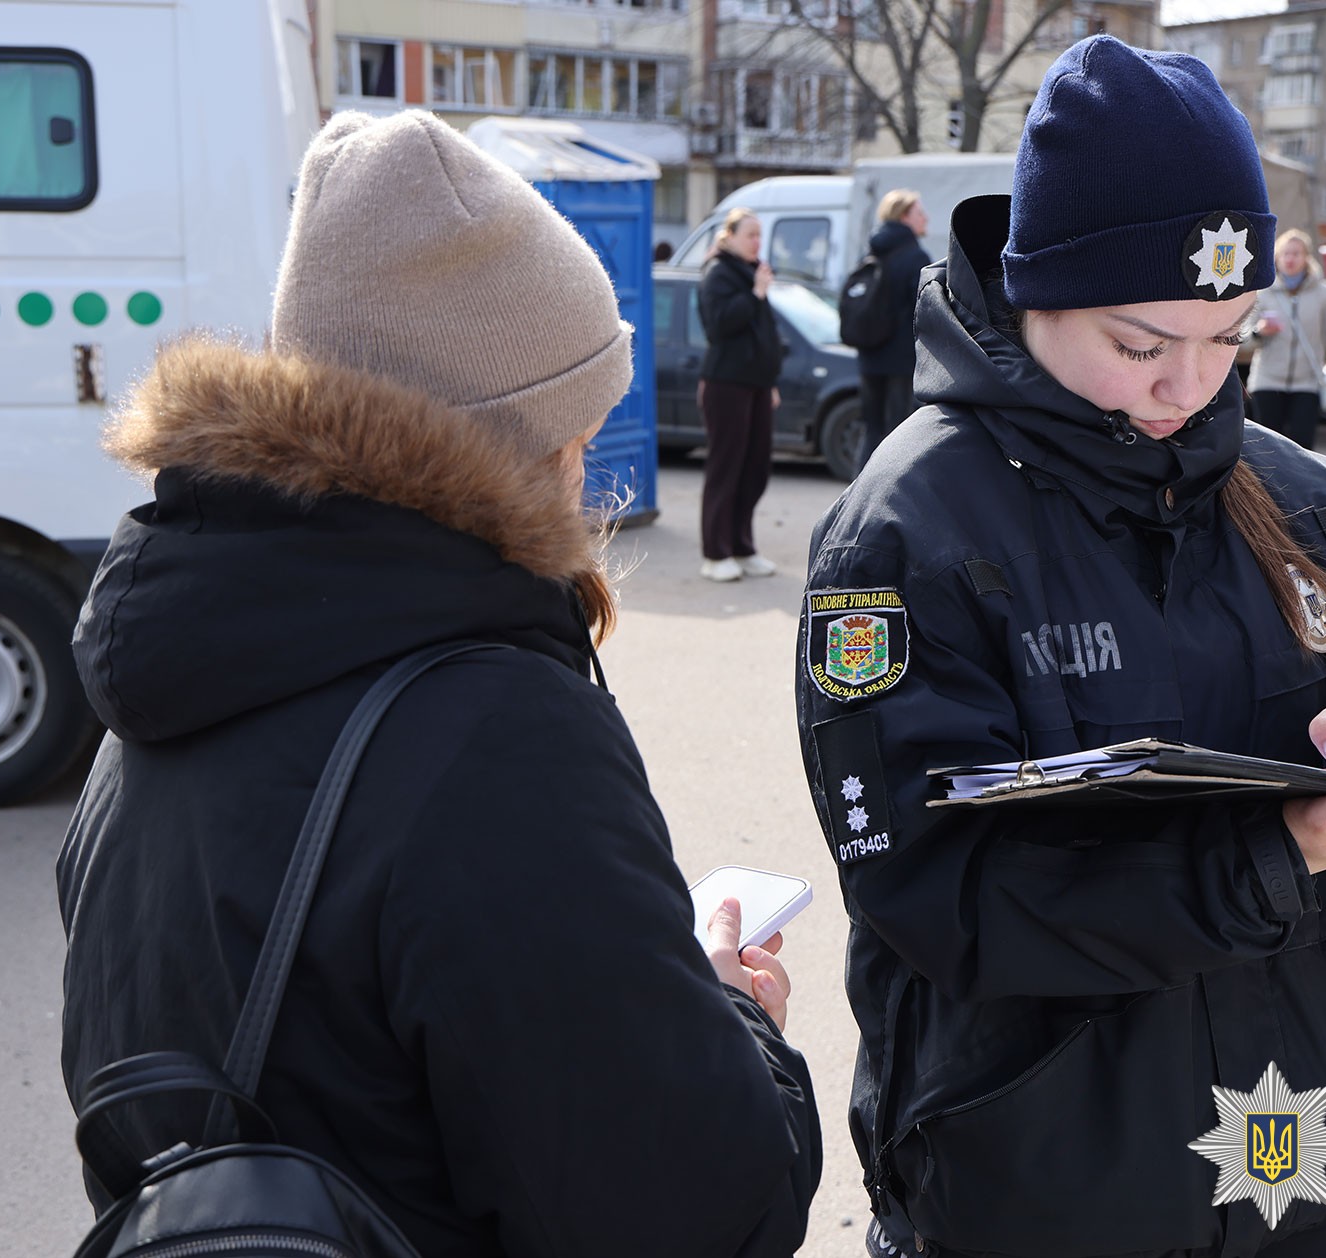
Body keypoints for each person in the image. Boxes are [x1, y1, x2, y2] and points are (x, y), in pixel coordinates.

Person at [56, 112, 820, 1257]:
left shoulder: (157, 682)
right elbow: (694, 1208)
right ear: (506, 449)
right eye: (575, 434)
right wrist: (733, 1024)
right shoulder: (492, 735)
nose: (588, 474)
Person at [792, 38, 1326, 1258]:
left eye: (1230, 337)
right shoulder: (908, 531)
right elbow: (929, 892)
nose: (1190, 383)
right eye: (1139, 345)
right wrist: (1270, 860)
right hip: (1047, 1181)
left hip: (1291, 1160)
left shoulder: (1306, 498)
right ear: (1033, 295)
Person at [697, 208, 786, 582]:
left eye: (759, 235)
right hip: (726, 383)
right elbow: (719, 326)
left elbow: (763, 334)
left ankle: (742, 546)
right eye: (750, 234)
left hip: (756, 384)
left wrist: (770, 382)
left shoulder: (751, 272)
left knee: (754, 468)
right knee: (727, 467)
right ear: (729, 235)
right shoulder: (718, 272)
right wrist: (756, 293)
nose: (756, 242)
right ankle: (715, 553)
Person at [1246, 228, 1326, 448]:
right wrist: (1259, 331)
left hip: (1307, 384)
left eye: (1296, 253)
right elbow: (1241, 338)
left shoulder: (1322, 292)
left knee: (1303, 451)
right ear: (1277, 258)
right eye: (1285, 254)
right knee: (1267, 451)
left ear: (1306, 257)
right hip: (1267, 382)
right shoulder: (1264, 291)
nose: (1290, 259)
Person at [854, 189, 932, 467]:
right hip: (900, 361)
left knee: (871, 428)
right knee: (898, 432)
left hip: (869, 357)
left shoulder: (872, 251)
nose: (926, 218)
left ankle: (856, 494)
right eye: (920, 213)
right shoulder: (915, 256)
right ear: (904, 217)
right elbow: (924, 308)